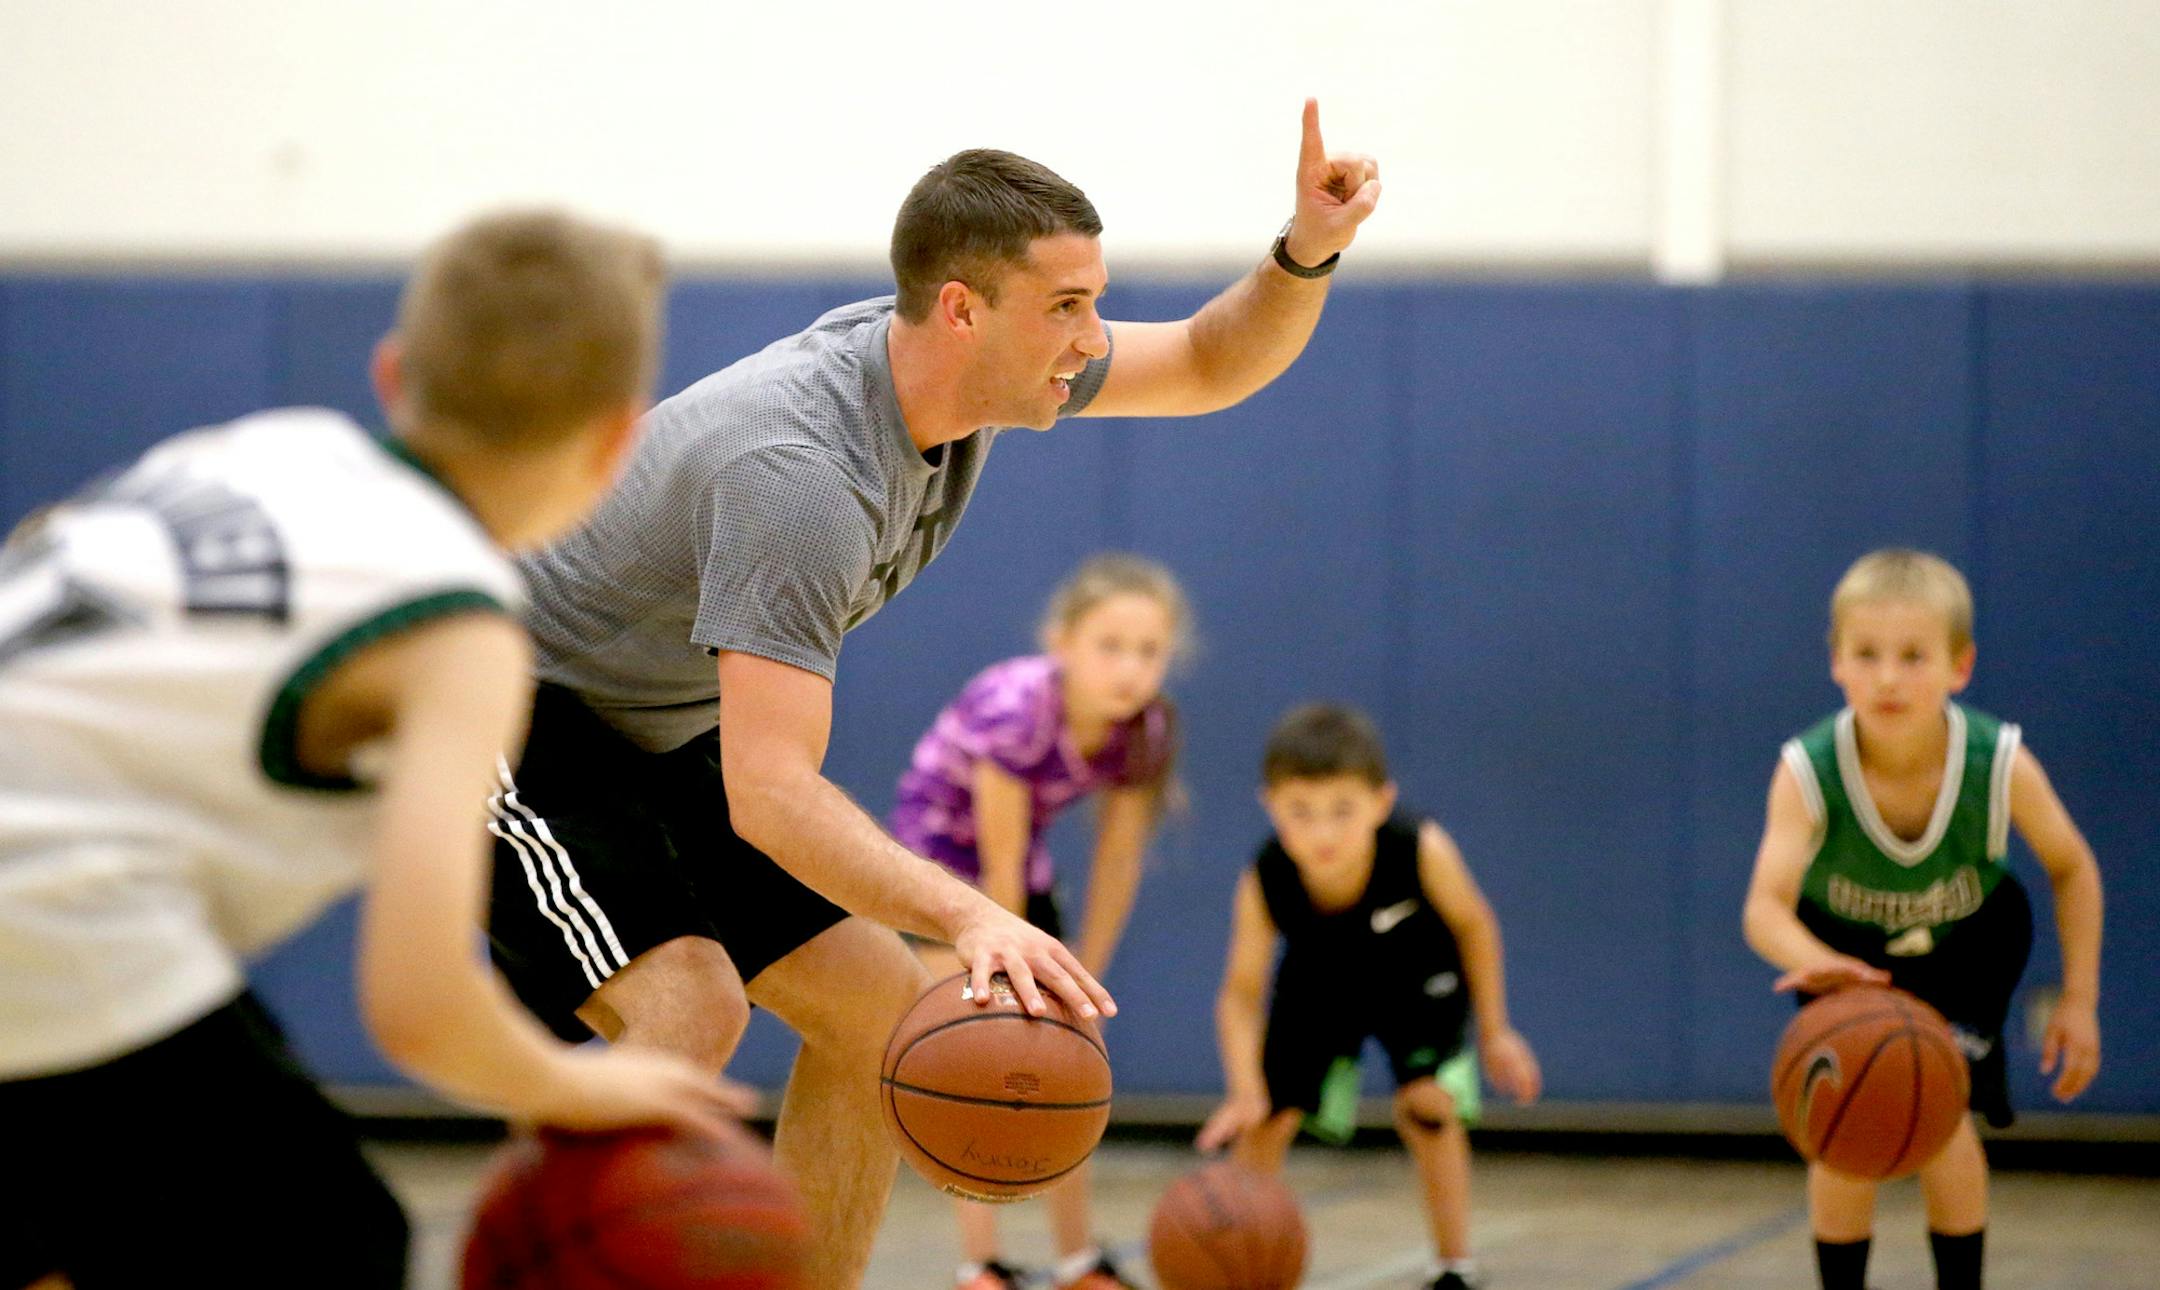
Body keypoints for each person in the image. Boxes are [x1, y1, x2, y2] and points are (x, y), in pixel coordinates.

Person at [482, 99, 1380, 1284]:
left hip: (650, 717)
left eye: (1093, 301)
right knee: (692, 1008)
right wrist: (970, 912)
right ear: (963, 309)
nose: (1090, 336)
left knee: (879, 1014)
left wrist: (1305, 247)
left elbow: (1213, 360)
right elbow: (768, 792)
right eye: (1067, 308)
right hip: (499, 697)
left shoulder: (968, 379)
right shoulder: (798, 475)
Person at [0, 211, 749, 1289]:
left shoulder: (265, 447)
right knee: (335, 1247)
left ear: (393, 372)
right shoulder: (455, 618)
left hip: (83, 924)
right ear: (618, 442)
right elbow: (420, 1008)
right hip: (52, 920)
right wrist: (582, 1087)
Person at [1741, 548, 2105, 1290]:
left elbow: (2074, 868)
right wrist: (1812, 958)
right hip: (1843, 949)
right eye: (1866, 655)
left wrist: (2079, 999)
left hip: (1969, 946)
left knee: (1944, 1121)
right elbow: (1764, 908)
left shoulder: (1998, 763)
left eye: (1913, 657)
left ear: (1958, 667)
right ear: (1836, 663)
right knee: (1841, 1134)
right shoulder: (1808, 770)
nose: (1887, 677)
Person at [890, 553, 1186, 1290]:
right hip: (939, 866)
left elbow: (1118, 862)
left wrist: (1088, 977)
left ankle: (1078, 1259)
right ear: (1062, 642)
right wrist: (1007, 975)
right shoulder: (1018, 707)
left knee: (1070, 1058)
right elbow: (998, 859)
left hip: (1023, 874)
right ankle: (979, 1264)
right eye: (1109, 646)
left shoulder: (1142, 727)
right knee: (974, 1058)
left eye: (1148, 651)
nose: (1130, 668)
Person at [1198, 704, 1542, 1290]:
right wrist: (1245, 1088)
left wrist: (1495, 1030)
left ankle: (1454, 1266)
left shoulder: (1421, 846)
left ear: (1381, 803)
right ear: (1270, 804)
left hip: (1415, 979)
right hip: (1320, 981)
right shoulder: (1266, 877)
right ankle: (1242, 1263)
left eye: (1342, 811)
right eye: (1299, 812)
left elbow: (1476, 926)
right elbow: (1240, 993)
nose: (1321, 832)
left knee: (1428, 1109)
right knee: (1265, 1120)